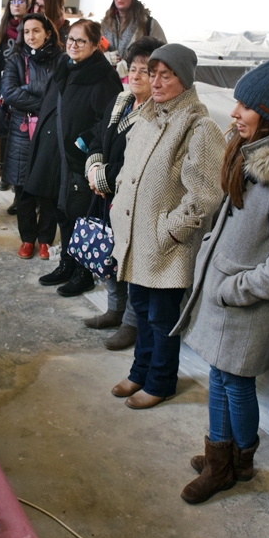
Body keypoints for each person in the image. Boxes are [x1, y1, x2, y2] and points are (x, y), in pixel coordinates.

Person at [174, 59, 269, 504]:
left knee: (231, 383)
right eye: (237, 102)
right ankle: (236, 460)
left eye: (247, 106)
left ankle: (224, 465)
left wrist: (234, 288)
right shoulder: (251, 154)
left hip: (244, 307)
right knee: (223, 379)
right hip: (228, 300)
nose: (235, 113)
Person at [108, 43, 225, 410]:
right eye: (151, 73)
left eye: (165, 75)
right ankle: (140, 370)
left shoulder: (198, 127)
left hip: (165, 245)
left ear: (184, 79)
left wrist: (169, 232)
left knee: (161, 318)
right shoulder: (148, 116)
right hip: (137, 238)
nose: (154, 82)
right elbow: (130, 171)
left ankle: (161, 381)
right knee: (140, 309)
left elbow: (205, 195)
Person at [27, 19, 122, 295]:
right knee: (62, 210)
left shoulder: (103, 77)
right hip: (57, 155)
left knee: (80, 213)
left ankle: (83, 272)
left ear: (95, 44)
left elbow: (107, 121)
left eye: (81, 41)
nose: (73, 44)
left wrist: (83, 144)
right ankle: (67, 263)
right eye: (70, 39)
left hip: (80, 158)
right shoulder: (65, 68)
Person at [83, 36, 165, 350]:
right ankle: (114, 309)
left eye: (146, 71)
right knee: (109, 252)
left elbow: (139, 165)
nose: (137, 76)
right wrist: (93, 169)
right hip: (105, 192)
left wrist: (101, 177)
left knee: (130, 262)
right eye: (133, 68)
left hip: (131, 199)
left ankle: (131, 323)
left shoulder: (157, 114)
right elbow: (97, 137)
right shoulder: (121, 100)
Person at [1, 13, 67, 259]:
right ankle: (27, 239)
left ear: (48, 33)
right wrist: (45, 102)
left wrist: (28, 90)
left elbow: (63, 92)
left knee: (49, 188)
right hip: (22, 132)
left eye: (36, 31)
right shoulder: (16, 60)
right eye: (27, 31)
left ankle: (45, 240)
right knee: (23, 190)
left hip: (51, 131)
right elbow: (9, 93)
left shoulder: (62, 59)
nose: (31, 36)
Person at [0, 0, 29, 193]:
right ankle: (5, 173)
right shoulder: (5, 29)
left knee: (19, 130)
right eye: (13, 1)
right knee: (4, 129)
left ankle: (17, 177)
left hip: (22, 85)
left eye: (21, 1)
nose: (17, 4)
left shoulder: (29, 30)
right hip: (3, 83)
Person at [101, 0, 167, 62]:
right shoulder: (105, 25)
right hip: (109, 73)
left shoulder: (148, 24)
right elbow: (94, 50)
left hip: (138, 73)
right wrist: (105, 57)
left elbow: (163, 53)